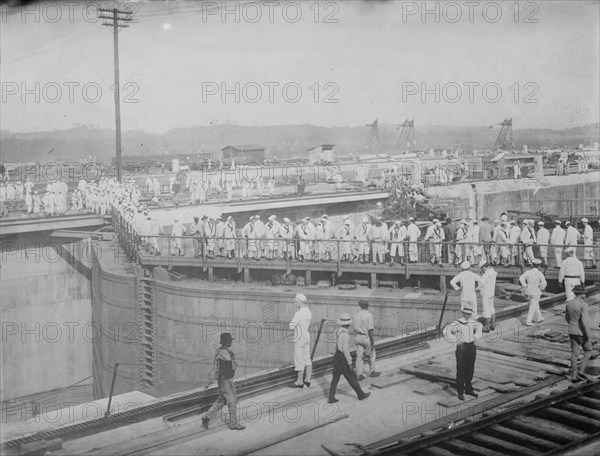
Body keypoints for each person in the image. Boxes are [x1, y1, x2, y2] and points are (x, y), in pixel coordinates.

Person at [201, 332, 246, 431]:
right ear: (227, 341)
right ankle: (233, 423)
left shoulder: (225, 352)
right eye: (230, 341)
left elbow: (232, 365)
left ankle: (206, 417)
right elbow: (216, 368)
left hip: (227, 380)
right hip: (225, 381)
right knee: (232, 400)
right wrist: (209, 383)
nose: (231, 342)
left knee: (222, 400)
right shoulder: (222, 353)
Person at [328, 313, 371, 404]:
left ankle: (331, 397)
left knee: (335, 378)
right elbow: (345, 350)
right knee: (352, 377)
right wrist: (350, 363)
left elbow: (337, 346)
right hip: (343, 358)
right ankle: (361, 395)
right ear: (348, 324)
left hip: (337, 357)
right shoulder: (345, 335)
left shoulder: (338, 331)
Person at [442, 307, 483, 401]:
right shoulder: (457, 323)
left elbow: (480, 326)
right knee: (461, 370)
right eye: (466, 314)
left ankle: (468, 389)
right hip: (462, 347)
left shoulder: (473, 322)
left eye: (469, 314)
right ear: (463, 313)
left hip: (471, 346)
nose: (468, 316)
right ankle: (460, 392)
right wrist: (455, 340)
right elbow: (445, 331)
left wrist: (476, 337)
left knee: (470, 369)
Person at [565, 286, 595, 382]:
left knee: (574, 353)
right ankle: (581, 371)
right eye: (584, 293)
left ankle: (574, 375)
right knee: (589, 350)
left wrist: (572, 325)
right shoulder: (583, 305)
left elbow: (567, 318)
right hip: (581, 332)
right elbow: (585, 322)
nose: (585, 294)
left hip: (571, 331)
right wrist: (588, 334)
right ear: (582, 294)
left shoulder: (569, 303)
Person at [353, 300, 380, 381]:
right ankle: (372, 372)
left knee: (359, 357)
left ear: (360, 305)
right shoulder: (369, 315)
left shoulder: (356, 315)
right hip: (366, 337)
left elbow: (354, 328)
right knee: (372, 354)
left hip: (358, 337)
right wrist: (372, 344)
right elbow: (370, 331)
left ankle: (360, 375)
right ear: (367, 306)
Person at [289, 294, 312, 388]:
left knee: (299, 359)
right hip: (306, 335)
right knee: (307, 358)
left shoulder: (298, 313)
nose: (295, 303)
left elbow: (291, 326)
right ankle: (308, 379)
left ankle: (299, 381)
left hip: (299, 337)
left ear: (299, 301)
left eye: (296, 301)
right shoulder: (308, 311)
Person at [519, 258, 547, 326]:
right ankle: (528, 321)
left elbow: (521, 278)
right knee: (532, 306)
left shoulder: (528, 272)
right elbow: (544, 283)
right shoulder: (540, 274)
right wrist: (541, 288)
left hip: (528, 291)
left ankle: (539, 317)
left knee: (535, 304)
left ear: (532, 265)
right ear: (539, 265)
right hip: (536, 291)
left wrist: (525, 285)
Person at [478, 260, 497, 332]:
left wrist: (481, 276)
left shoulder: (485, 275)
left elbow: (480, 284)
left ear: (483, 267)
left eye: (481, 268)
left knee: (486, 310)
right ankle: (493, 324)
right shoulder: (493, 273)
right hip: (491, 293)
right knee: (492, 308)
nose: (481, 270)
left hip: (485, 293)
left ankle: (487, 326)